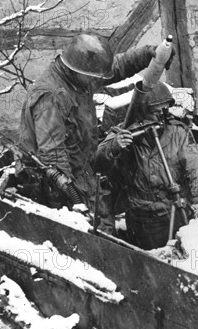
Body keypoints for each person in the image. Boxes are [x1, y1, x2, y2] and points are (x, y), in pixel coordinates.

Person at [16, 33, 158, 209]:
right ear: (76, 69)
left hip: (82, 170)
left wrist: (147, 55)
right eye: (93, 75)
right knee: (95, 228)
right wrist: (69, 207)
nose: (96, 79)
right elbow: (53, 159)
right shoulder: (51, 97)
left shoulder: (78, 77)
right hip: (56, 182)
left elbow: (115, 68)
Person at [95, 82, 198, 249]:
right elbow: (98, 163)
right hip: (140, 218)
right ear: (142, 112)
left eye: (164, 110)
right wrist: (114, 146)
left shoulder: (178, 132)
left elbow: (196, 169)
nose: (161, 117)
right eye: (156, 112)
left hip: (172, 212)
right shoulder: (126, 131)